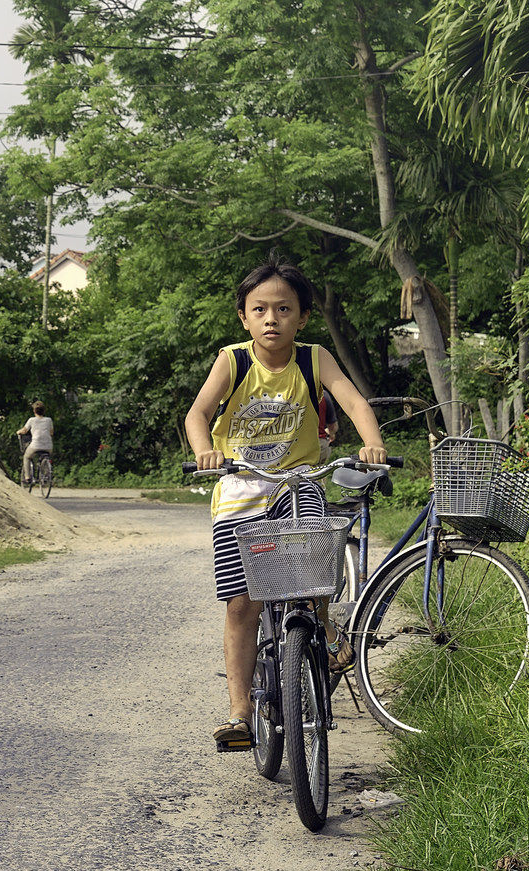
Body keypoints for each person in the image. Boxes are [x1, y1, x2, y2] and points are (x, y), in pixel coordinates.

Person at [183, 260, 388, 748]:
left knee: (311, 571)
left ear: (302, 318)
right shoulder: (232, 361)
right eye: (260, 309)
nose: (271, 318)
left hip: (297, 483)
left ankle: (322, 623)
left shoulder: (313, 359)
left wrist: (371, 444)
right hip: (240, 492)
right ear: (244, 317)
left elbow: (355, 403)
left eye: (283, 308)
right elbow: (198, 413)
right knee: (240, 606)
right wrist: (204, 452)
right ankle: (239, 713)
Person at [16, 401, 54, 485]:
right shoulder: (49, 420)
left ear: (34, 411)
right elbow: (51, 433)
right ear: (44, 410)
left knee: (26, 457)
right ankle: (46, 473)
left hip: (36, 445)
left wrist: (18, 432)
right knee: (45, 456)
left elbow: (25, 430)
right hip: (48, 446)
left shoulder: (32, 420)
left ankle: (27, 477)